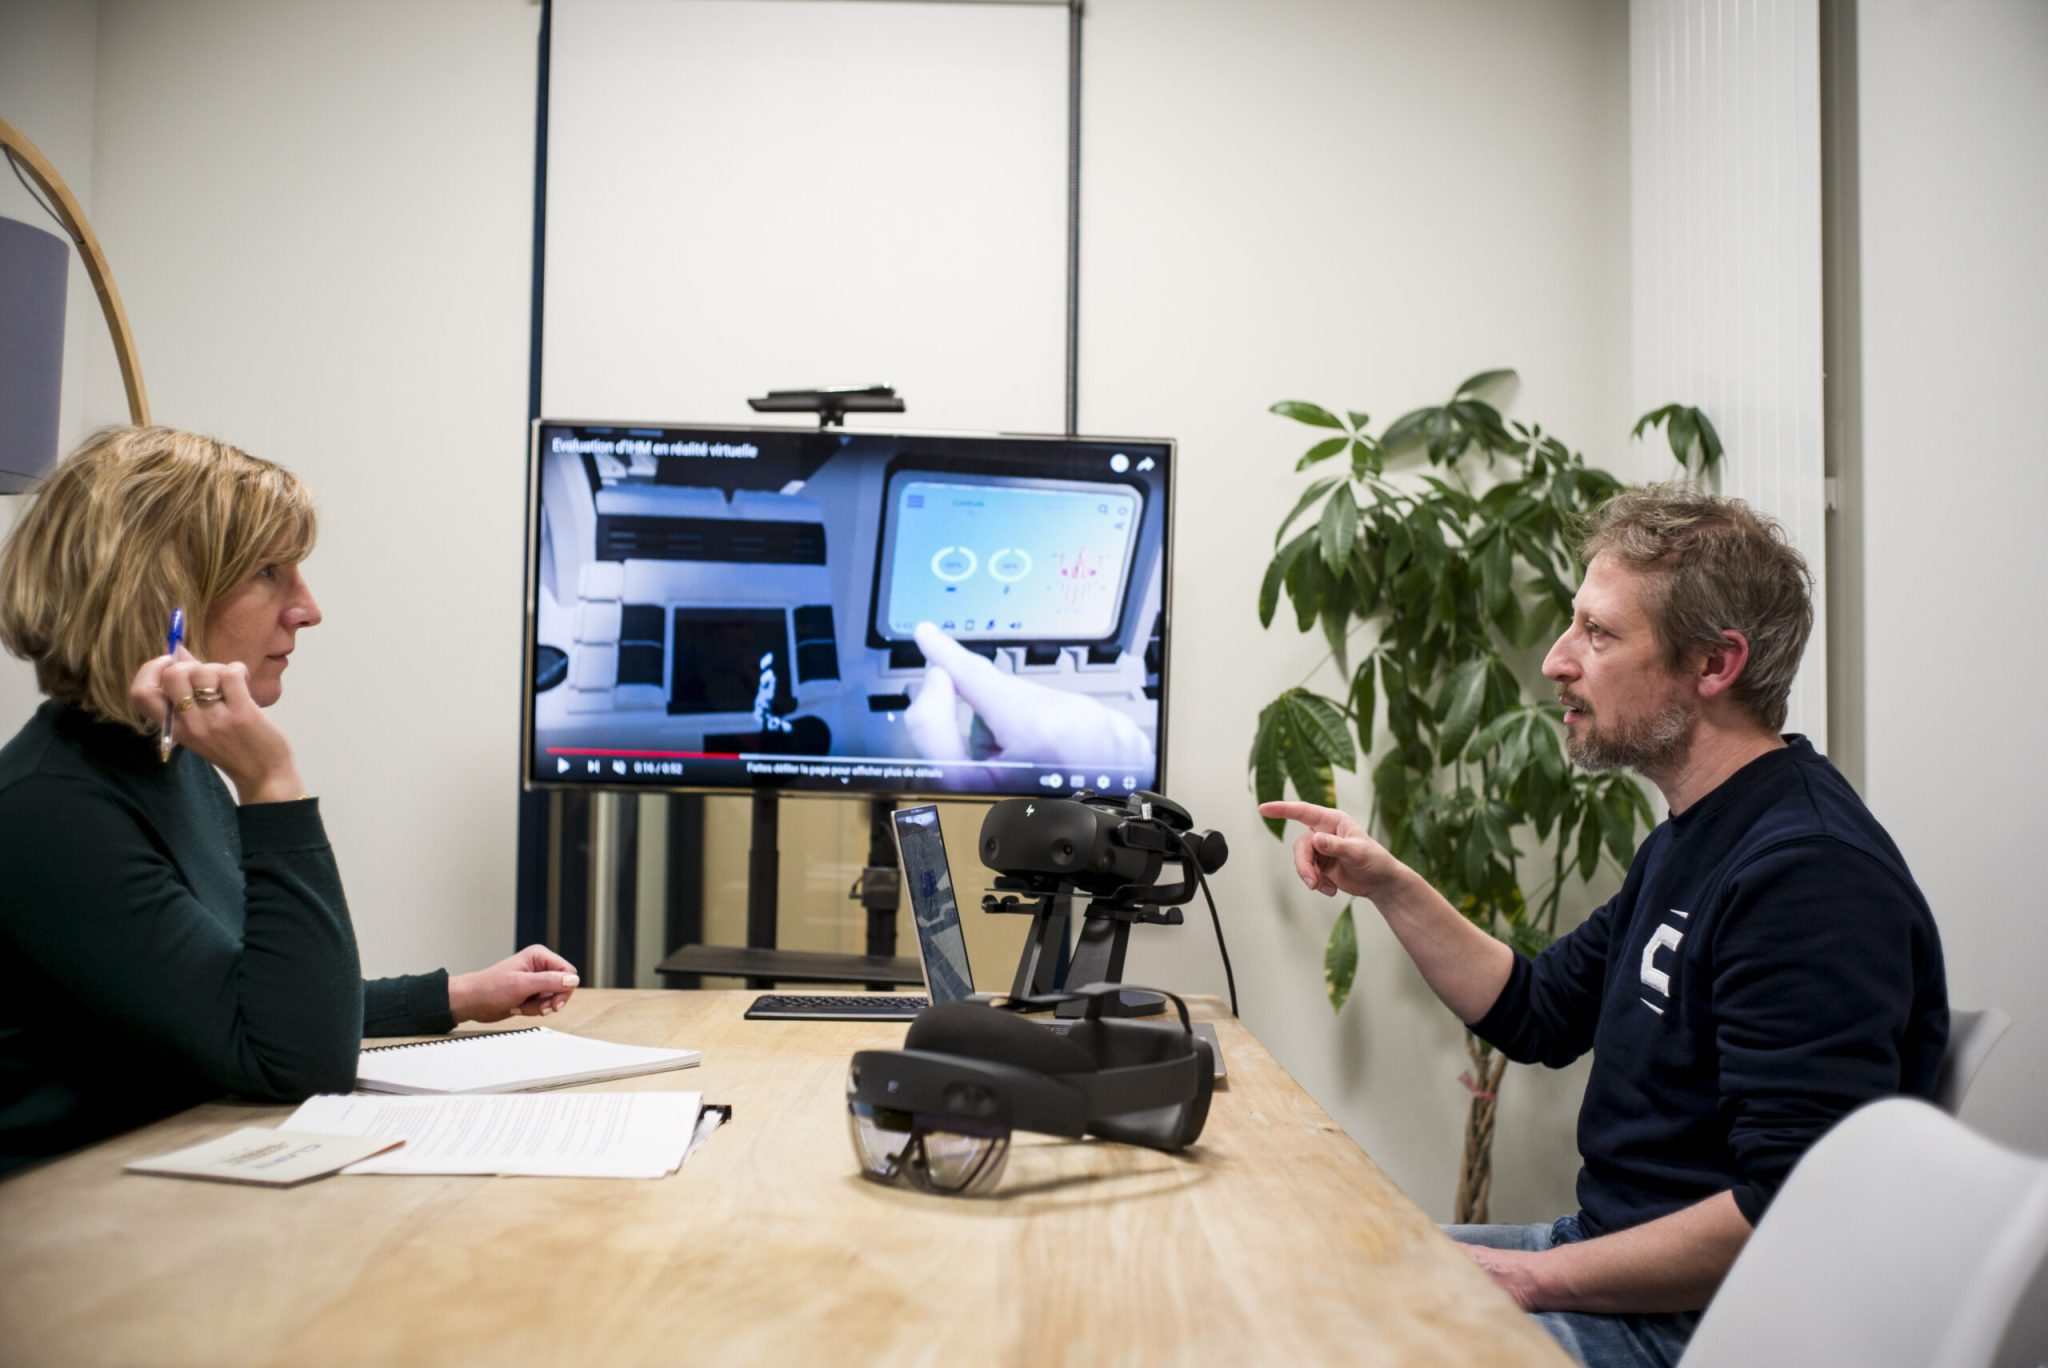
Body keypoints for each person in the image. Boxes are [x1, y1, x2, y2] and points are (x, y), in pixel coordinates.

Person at [1262, 485, 1946, 1368]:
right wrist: (1389, 884)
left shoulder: (1807, 873)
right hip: (1604, 1256)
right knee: (1299, 1273)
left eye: (1597, 632)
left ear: (1714, 665)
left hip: (1703, 1327)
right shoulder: (1696, 835)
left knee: (1314, 1342)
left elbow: (1793, 1205)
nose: (1554, 660)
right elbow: (1538, 1011)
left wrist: (1530, 1279)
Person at [0, 427, 581, 1178]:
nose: (307, 609)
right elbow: (295, 1059)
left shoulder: (164, 765)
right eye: (270, 573)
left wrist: (457, 995)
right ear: (160, 593)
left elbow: (257, 997)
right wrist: (272, 783)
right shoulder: (53, 808)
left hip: (165, 1181)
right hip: (82, 1227)